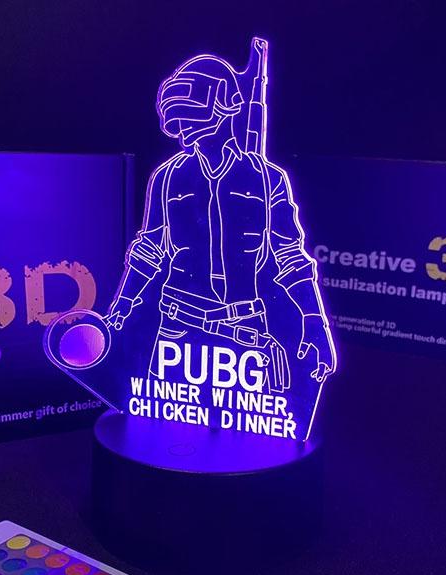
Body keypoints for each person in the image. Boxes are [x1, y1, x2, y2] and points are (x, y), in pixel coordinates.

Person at [107, 51, 336, 393]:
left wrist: (314, 320)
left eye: (190, 111)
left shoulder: (267, 179)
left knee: (248, 421)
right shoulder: (167, 178)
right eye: (178, 115)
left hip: (245, 329)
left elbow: (290, 257)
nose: (182, 125)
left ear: (224, 103)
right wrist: (121, 307)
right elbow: (148, 250)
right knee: (165, 415)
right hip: (177, 326)